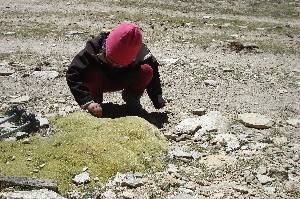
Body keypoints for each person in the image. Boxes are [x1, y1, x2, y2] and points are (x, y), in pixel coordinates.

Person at [66, 22, 165, 117]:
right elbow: (73, 73)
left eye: (120, 64)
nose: (114, 65)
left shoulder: (141, 53)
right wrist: (86, 101)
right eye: (110, 60)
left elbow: (154, 74)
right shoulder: (94, 47)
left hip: (123, 79)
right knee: (90, 71)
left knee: (147, 70)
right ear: (105, 48)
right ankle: (95, 102)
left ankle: (131, 97)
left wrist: (158, 99)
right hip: (100, 81)